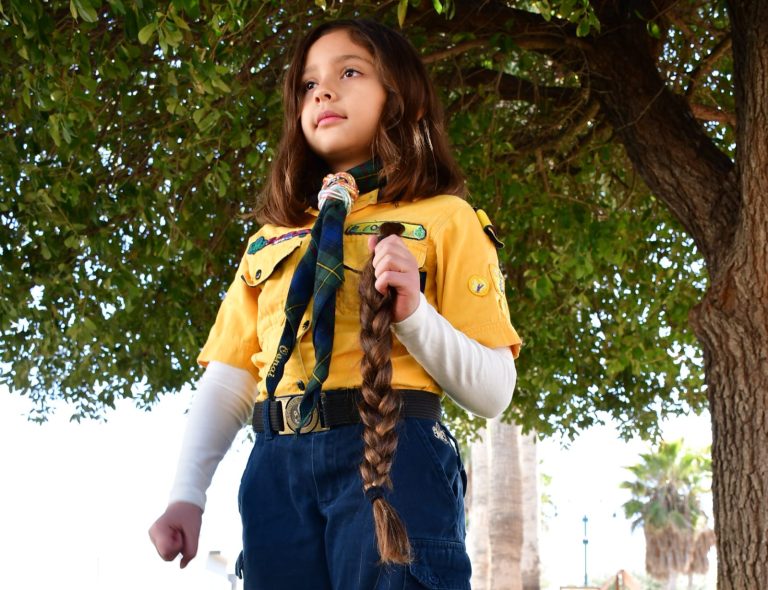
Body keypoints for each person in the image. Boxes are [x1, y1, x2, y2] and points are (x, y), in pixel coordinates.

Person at [149, 18, 521, 590]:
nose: (322, 91)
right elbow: (230, 378)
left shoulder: (448, 218)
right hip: (275, 472)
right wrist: (186, 495)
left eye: (350, 72)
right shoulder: (271, 238)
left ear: (402, 98)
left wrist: (415, 315)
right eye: (308, 84)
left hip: (395, 461)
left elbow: (494, 392)